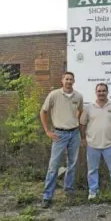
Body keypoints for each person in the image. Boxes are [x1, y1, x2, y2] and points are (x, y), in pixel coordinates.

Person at [40, 71, 83, 209]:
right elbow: (43, 112)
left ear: (74, 81)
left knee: (72, 163)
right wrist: (47, 131)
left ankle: (68, 190)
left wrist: (74, 120)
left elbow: (80, 111)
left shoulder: (78, 96)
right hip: (59, 134)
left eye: (71, 79)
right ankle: (47, 196)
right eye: (66, 79)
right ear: (62, 80)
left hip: (74, 133)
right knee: (53, 166)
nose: (69, 81)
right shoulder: (54, 95)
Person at [80, 83, 111, 204]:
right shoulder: (89, 108)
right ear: (96, 92)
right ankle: (93, 192)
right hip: (92, 145)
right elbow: (82, 124)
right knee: (92, 170)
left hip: (109, 144)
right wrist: (83, 138)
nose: (101, 93)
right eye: (99, 91)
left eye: (103, 91)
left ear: (107, 92)